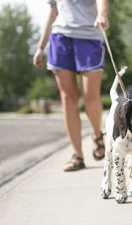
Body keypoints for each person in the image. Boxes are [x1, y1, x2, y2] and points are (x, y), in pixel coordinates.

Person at [33, 0, 110, 171]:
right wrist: (40, 47)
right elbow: (53, 13)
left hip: (89, 37)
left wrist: (102, 14)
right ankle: (78, 155)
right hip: (60, 38)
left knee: (90, 98)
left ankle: (97, 134)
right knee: (68, 99)